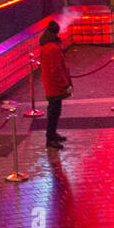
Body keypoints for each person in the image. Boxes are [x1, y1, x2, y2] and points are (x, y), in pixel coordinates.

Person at [38, 21, 70, 149]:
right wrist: (65, 85)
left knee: (54, 111)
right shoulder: (53, 49)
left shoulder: (48, 46)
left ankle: (52, 134)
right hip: (55, 86)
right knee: (54, 112)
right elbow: (56, 69)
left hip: (51, 85)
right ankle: (50, 138)